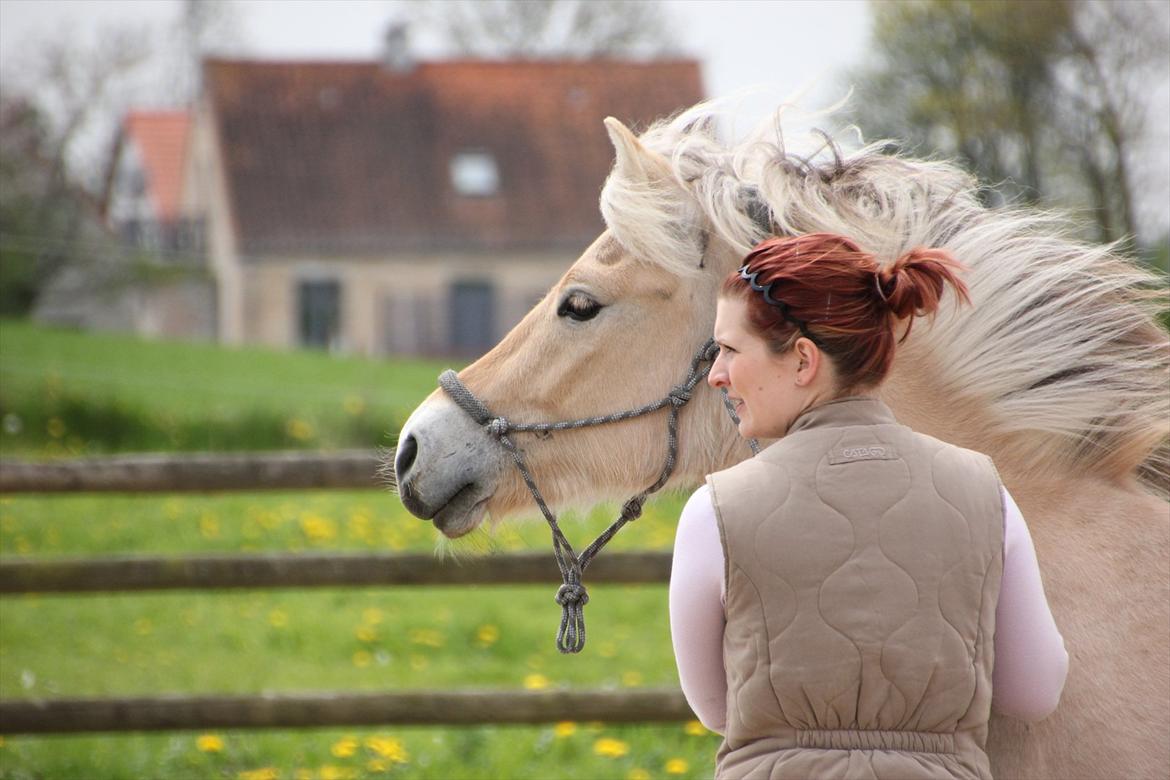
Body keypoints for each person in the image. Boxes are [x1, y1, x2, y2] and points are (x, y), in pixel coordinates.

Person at [670, 233, 1068, 779]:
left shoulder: (713, 511)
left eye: (731, 350)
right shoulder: (986, 494)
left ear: (804, 360)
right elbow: (1035, 692)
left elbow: (717, 710)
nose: (716, 373)